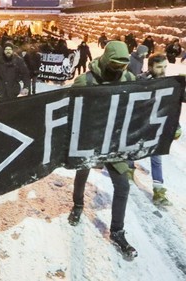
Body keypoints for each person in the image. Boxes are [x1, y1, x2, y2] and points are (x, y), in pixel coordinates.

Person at [68, 41, 138, 260]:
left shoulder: (129, 79)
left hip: (115, 142)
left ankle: (117, 231)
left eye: (123, 66)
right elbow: (67, 107)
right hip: (90, 139)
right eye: (115, 65)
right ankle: (78, 205)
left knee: (123, 185)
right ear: (106, 59)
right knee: (82, 174)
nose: (118, 70)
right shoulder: (85, 81)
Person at [135, 53, 182, 206]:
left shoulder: (168, 83)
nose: (162, 70)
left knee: (156, 159)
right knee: (133, 150)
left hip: (157, 127)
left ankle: (158, 191)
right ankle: (128, 168)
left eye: (164, 67)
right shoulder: (140, 82)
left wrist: (177, 126)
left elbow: (173, 105)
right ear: (150, 67)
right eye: (159, 67)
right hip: (139, 125)